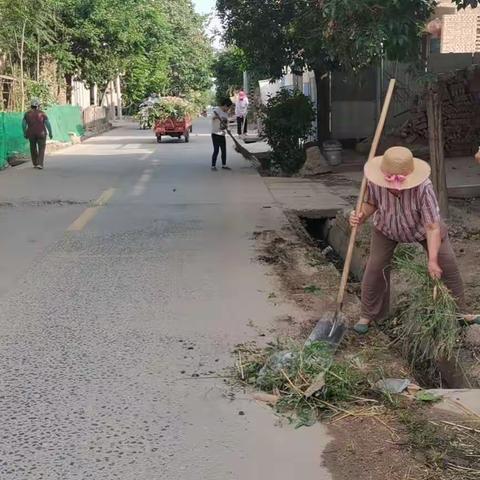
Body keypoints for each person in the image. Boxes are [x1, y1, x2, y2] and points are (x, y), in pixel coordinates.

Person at [350, 146, 479, 334]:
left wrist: (432, 260)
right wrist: (360, 216)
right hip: (387, 228)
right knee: (376, 266)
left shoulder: (423, 187)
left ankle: (460, 313)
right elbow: (370, 203)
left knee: (447, 264)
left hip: (422, 230)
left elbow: (432, 227)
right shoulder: (375, 182)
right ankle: (368, 314)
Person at [22, 98, 53, 170]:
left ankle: (35, 163)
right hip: (41, 133)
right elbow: (47, 123)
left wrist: (24, 132)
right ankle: (40, 164)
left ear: (31, 106)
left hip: (31, 133)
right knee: (41, 148)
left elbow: (23, 124)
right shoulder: (42, 113)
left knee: (33, 148)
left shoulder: (27, 114)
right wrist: (50, 133)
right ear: (38, 106)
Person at [211, 98, 233, 171]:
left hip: (222, 134)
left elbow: (226, 123)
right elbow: (212, 118)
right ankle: (213, 166)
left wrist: (228, 129)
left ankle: (224, 165)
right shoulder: (217, 110)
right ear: (225, 105)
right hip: (215, 133)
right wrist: (216, 117)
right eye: (228, 107)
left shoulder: (225, 113)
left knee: (224, 150)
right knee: (216, 150)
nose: (228, 109)